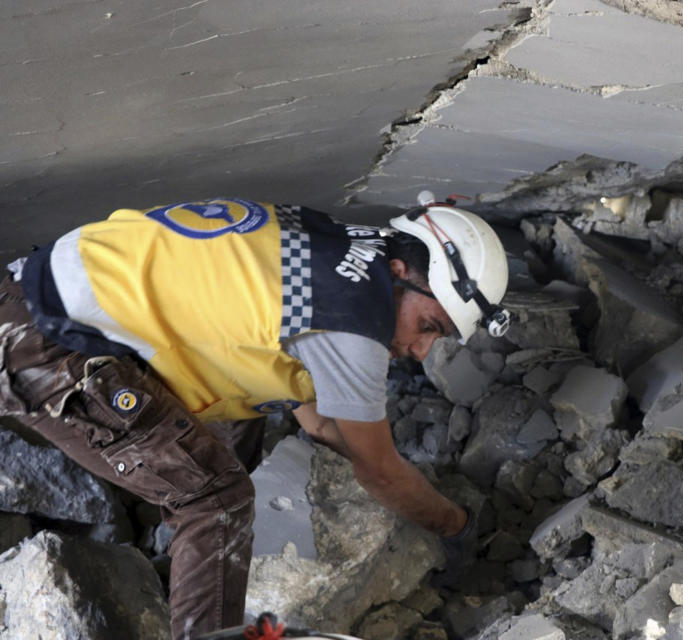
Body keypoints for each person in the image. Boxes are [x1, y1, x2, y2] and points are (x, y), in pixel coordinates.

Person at [0, 192, 510, 639]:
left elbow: (309, 410)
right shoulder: (355, 324)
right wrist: (454, 526)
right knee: (215, 498)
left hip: (26, 292)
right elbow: (378, 471)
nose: (422, 351)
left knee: (243, 415)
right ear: (403, 274)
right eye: (428, 326)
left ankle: (175, 564)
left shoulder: (339, 245)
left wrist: (352, 438)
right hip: (49, 348)